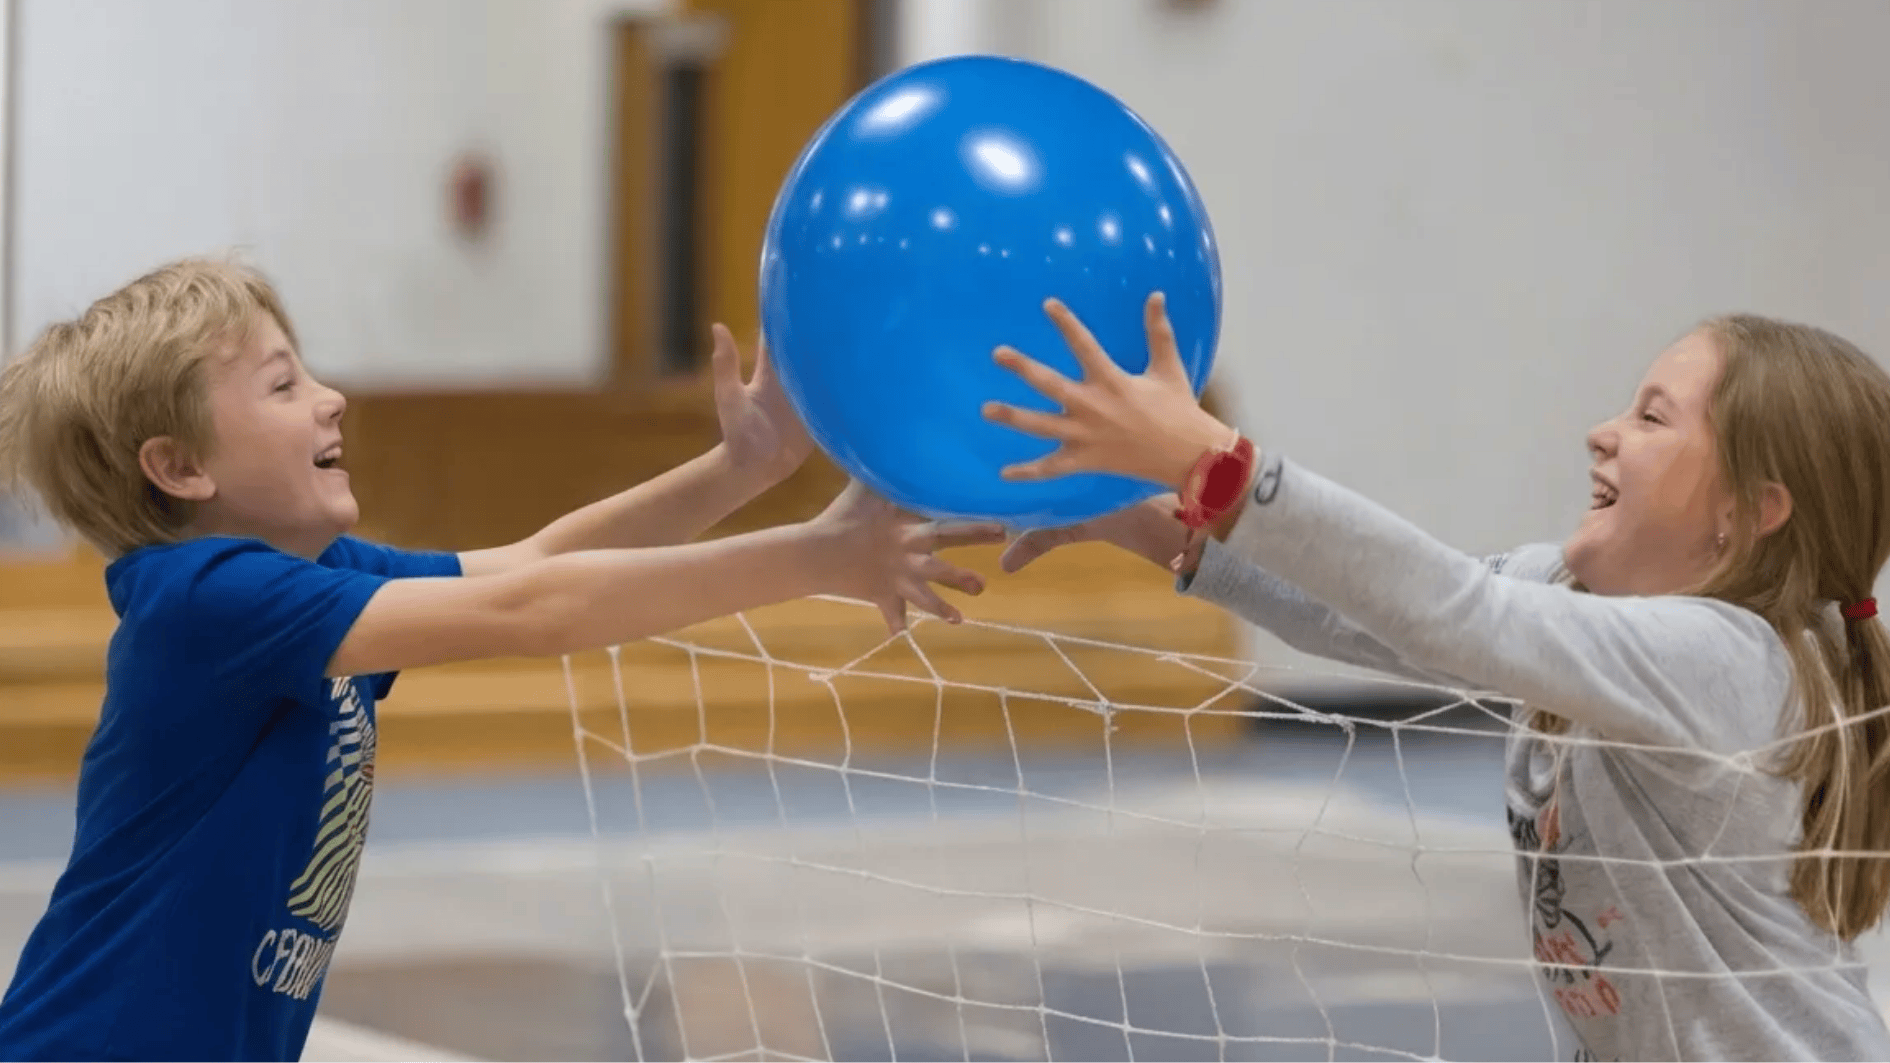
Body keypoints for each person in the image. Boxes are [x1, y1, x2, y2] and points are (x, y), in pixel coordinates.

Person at [0, 256, 1002, 1061]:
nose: (331, 396)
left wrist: (743, 468)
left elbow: (531, 561)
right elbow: (532, 608)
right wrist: (814, 557)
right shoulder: (206, 601)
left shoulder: (308, 573)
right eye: (283, 383)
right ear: (181, 467)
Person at [984, 293, 1890, 1061]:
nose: (1602, 432)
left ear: (1751, 509)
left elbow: (1449, 604)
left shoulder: (1733, 660)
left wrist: (1219, 464)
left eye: (1653, 418)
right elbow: (1382, 617)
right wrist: (1137, 521)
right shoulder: (1571, 595)